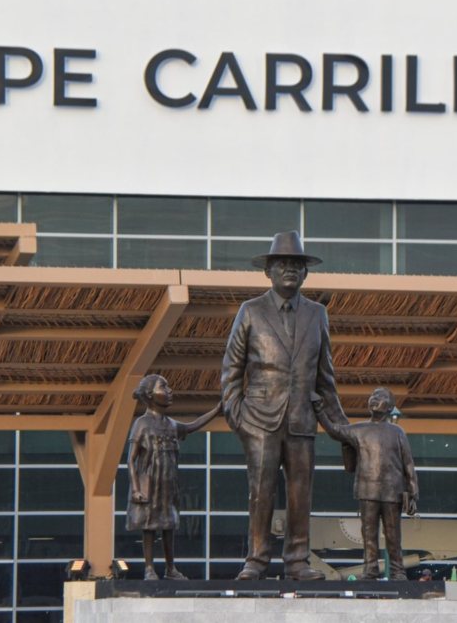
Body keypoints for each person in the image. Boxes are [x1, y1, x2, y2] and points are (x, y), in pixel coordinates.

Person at [221, 230, 348, 581]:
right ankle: (257, 560)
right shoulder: (250, 311)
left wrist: (343, 429)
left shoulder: (317, 314)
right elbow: (231, 370)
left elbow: (326, 377)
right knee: (260, 493)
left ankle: (297, 560)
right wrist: (238, 417)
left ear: (305, 272)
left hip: (302, 419)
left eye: (296, 264)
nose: (290, 270)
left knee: (300, 495)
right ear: (269, 271)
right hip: (259, 419)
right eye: (282, 264)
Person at [316, 387, 418, 580]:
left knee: (393, 534)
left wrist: (412, 491)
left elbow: (408, 464)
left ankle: (397, 571)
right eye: (372, 396)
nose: (373, 399)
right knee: (369, 534)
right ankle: (370, 570)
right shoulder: (360, 429)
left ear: (389, 407)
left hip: (392, 491)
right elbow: (335, 431)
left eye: (379, 398)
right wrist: (320, 411)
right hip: (367, 490)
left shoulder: (397, 432)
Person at [126, 374, 221, 580]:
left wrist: (216, 410)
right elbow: (131, 460)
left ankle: (171, 568)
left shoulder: (171, 424)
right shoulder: (141, 424)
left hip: (169, 483)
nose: (170, 391)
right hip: (149, 483)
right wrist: (135, 489)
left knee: (169, 524)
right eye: (164, 387)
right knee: (149, 525)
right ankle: (149, 568)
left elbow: (192, 426)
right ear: (150, 395)